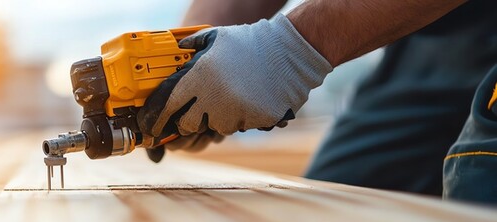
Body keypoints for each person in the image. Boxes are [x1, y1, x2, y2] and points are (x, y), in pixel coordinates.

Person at [138, 0, 497, 204]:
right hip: (437, 29)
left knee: (479, 187)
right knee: (333, 203)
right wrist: (192, 57)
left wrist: (290, 49)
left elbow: (295, 47)